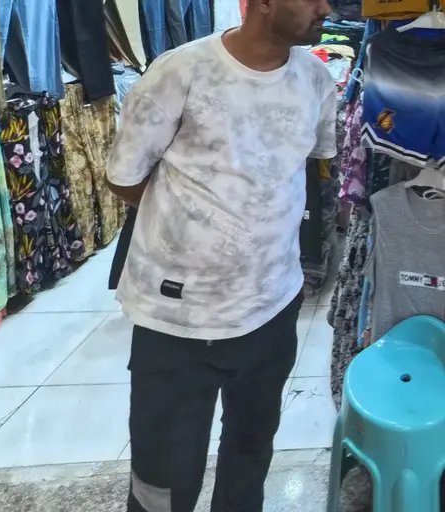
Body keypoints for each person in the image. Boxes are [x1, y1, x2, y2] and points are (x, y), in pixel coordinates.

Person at [105, 0, 336, 509]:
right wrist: (195, 226)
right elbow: (124, 177)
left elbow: (308, 166)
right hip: (177, 319)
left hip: (272, 308)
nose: (326, 7)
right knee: (163, 480)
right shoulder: (181, 71)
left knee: (250, 456)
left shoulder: (317, 80)